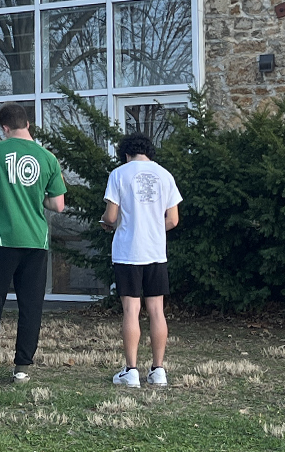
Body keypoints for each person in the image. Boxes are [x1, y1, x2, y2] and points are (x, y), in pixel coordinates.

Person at [0, 101, 67, 384]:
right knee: (30, 306)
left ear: (4, 127)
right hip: (36, 240)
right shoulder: (48, 157)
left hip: (1, 239)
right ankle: (22, 367)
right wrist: (37, 197)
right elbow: (58, 204)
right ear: (28, 124)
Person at [102, 132, 182, 389]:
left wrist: (104, 222)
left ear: (126, 153)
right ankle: (158, 370)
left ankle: (131, 370)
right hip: (156, 251)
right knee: (157, 310)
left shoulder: (119, 174)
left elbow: (111, 217)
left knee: (131, 310)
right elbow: (173, 220)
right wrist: (154, 229)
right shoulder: (165, 175)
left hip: (128, 251)